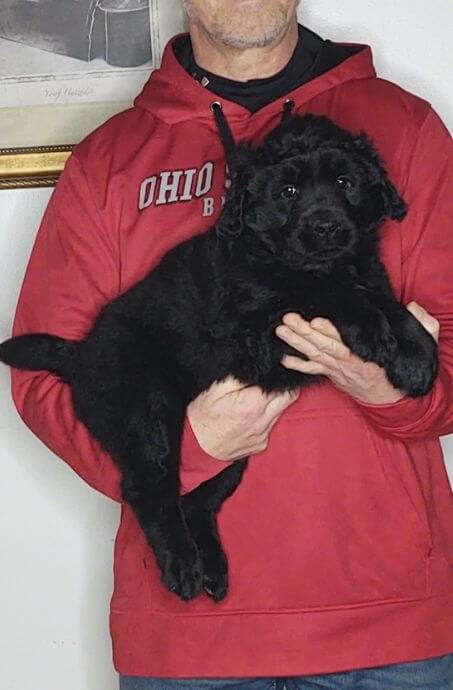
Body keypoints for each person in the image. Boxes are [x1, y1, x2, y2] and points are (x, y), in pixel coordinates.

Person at [9, 1, 453, 688]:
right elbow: (51, 381)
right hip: (190, 639)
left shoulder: (403, 127)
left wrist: (392, 395)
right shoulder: (109, 159)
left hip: (386, 628)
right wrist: (185, 451)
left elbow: (444, 350)